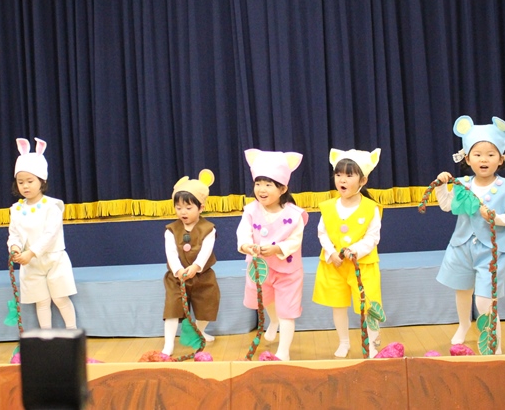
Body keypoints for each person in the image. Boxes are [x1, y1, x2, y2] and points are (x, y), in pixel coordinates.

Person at [434, 116, 505, 353]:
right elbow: (447, 205)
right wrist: (441, 186)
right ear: (467, 158)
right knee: (462, 290)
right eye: (478, 154)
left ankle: (494, 344)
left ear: (501, 159)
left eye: (491, 154)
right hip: (461, 247)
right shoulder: (462, 184)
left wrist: (496, 218)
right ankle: (463, 324)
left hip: (491, 251)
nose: (484, 159)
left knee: (485, 299)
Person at [312, 148, 384, 358]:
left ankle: (372, 343)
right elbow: (322, 233)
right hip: (335, 265)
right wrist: (332, 253)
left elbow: (373, 237)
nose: (342, 179)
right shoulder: (328, 206)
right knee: (338, 305)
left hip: (363, 265)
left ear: (363, 180)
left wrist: (355, 251)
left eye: (349, 175)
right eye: (338, 174)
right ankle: (344, 342)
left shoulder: (371, 208)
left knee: (369, 306)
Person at [237, 149, 308, 361]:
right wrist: (247, 246)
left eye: (268, 184)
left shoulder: (294, 215)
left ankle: (283, 352)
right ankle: (273, 321)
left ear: (282, 188)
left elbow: (295, 240)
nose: (261, 189)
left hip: (288, 272)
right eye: (258, 183)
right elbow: (243, 232)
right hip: (261, 269)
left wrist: (278, 249)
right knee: (266, 299)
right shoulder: (250, 210)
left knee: (287, 311)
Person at [7, 137, 77, 330]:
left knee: (60, 298)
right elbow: (14, 233)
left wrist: (31, 252)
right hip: (30, 263)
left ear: (42, 181)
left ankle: (72, 332)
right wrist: (15, 248)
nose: (25, 186)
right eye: (21, 182)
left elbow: (50, 235)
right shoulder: (16, 209)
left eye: (30, 181)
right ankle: (46, 337)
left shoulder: (52, 206)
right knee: (42, 301)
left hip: (53, 259)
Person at [161, 169, 220, 356]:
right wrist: (178, 270)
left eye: (188, 208)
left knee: (208, 304)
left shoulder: (208, 229)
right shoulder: (171, 230)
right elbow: (171, 253)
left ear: (201, 208)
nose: (183, 212)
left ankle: (198, 331)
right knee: (172, 308)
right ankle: (168, 344)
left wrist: (196, 267)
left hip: (202, 276)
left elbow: (205, 251)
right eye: (178, 208)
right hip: (177, 278)